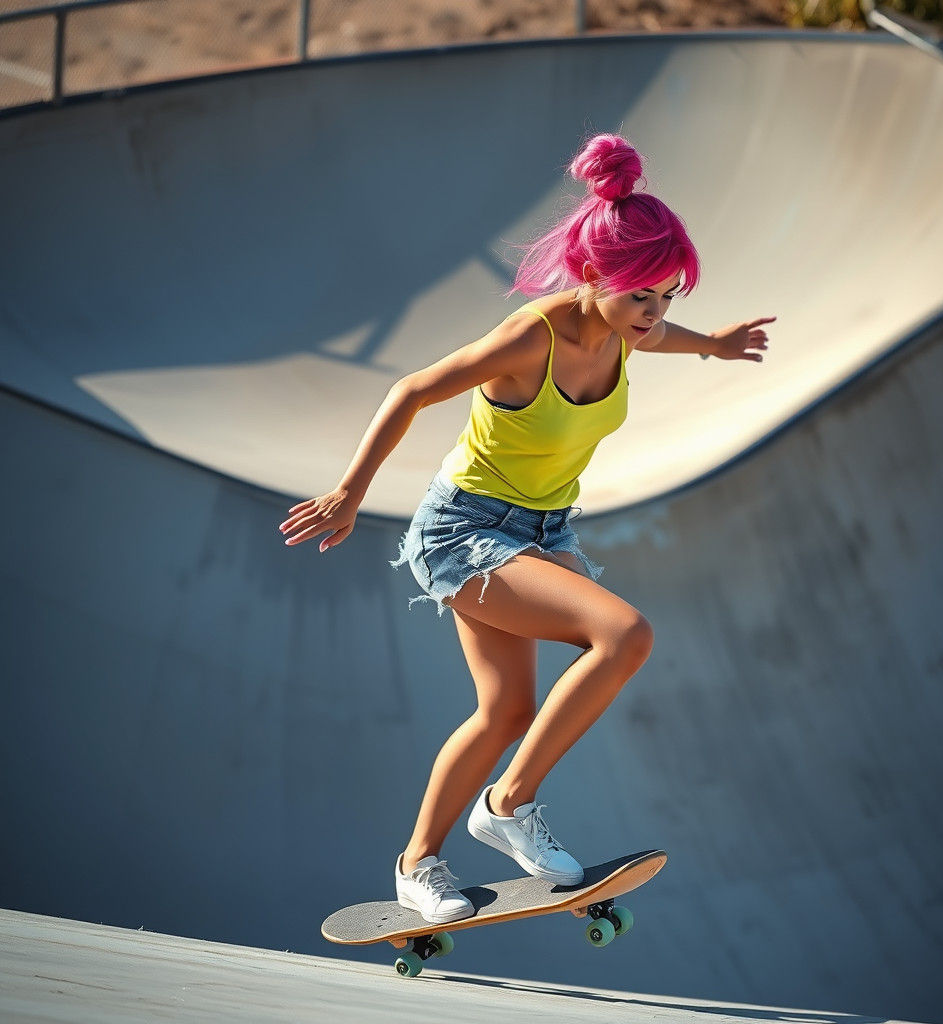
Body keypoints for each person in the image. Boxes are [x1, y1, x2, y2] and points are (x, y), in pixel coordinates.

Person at [279, 133, 773, 924]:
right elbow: (411, 390)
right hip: (463, 532)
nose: (655, 315)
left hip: (541, 532)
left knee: (506, 709)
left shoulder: (629, 331)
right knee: (626, 636)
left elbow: (659, 335)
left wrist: (712, 345)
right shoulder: (531, 338)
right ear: (591, 277)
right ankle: (507, 804)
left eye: (667, 295)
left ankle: (417, 861)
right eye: (641, 295)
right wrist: (349, 491)